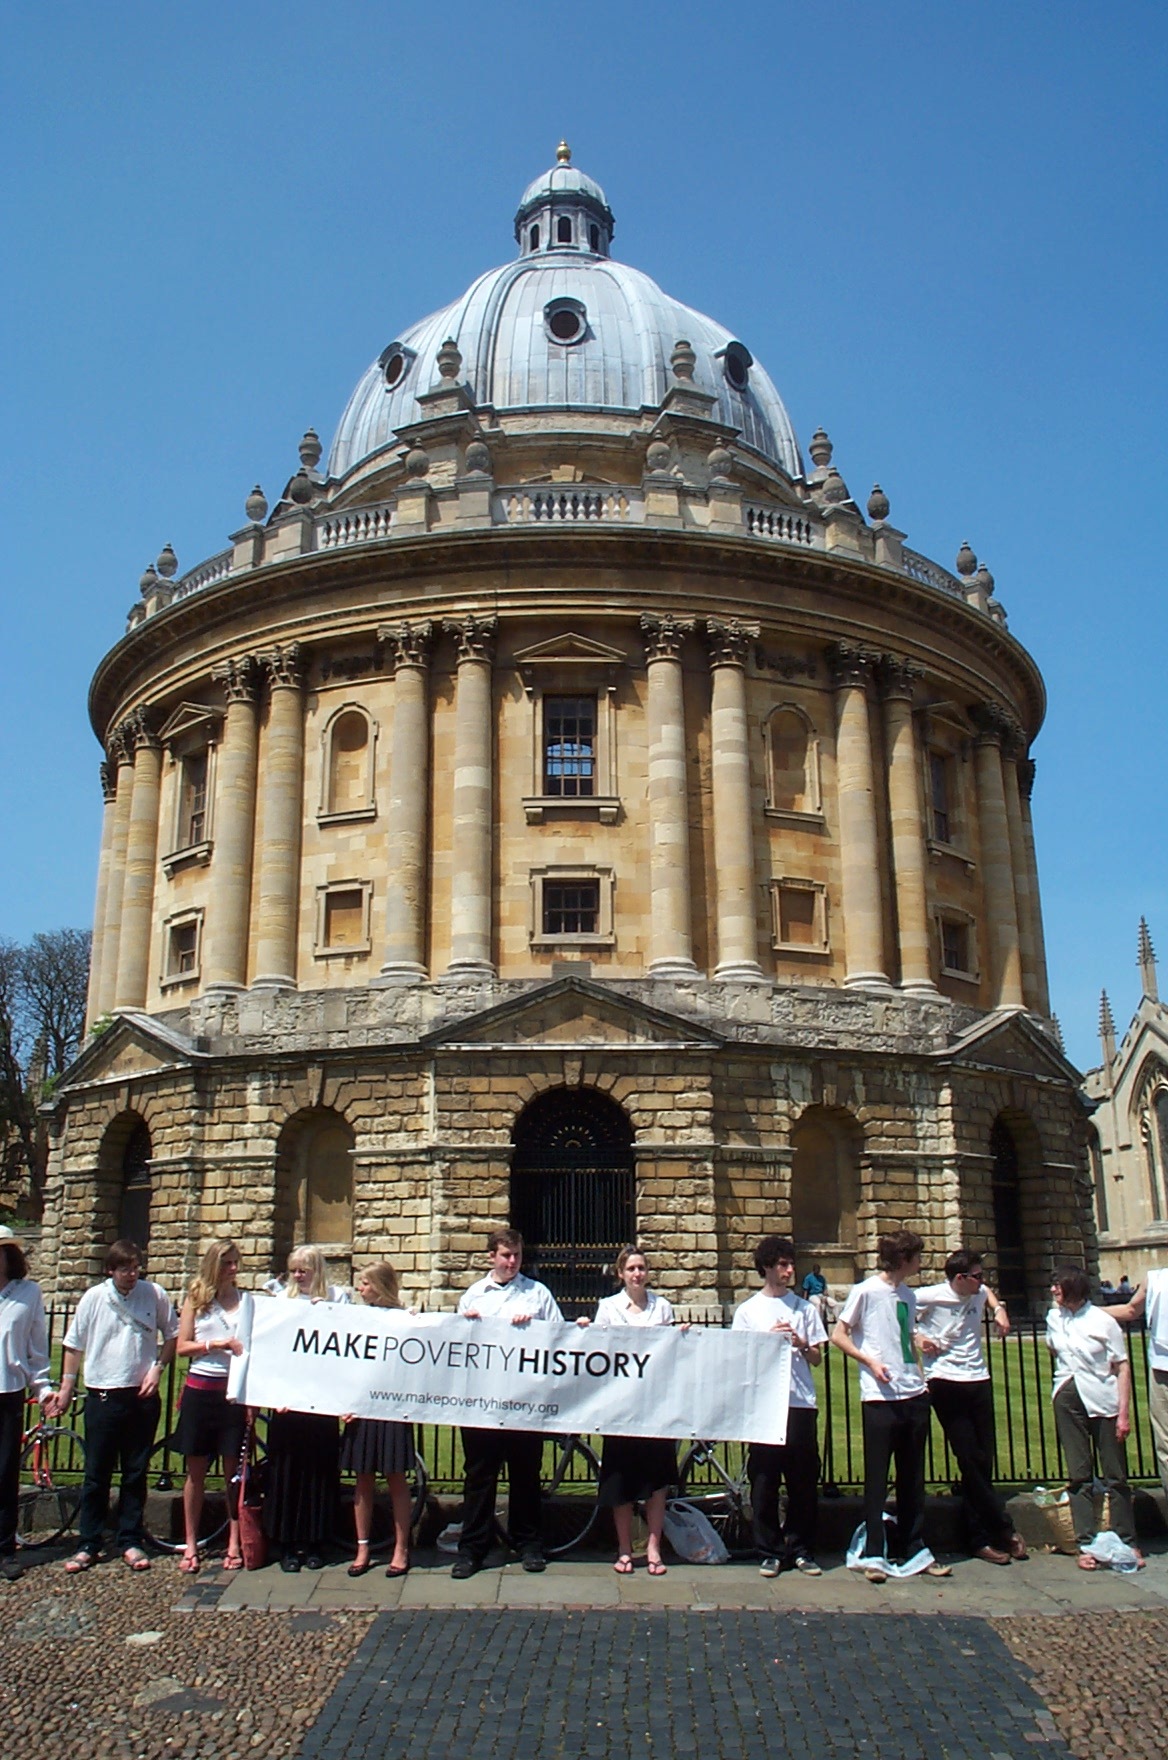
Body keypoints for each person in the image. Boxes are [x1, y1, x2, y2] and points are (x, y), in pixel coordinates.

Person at [50, 1239, 178, 1573]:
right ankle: (88, 1542)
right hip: (103, 1395)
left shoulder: (155, 1295)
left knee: (135, 1474)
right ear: (111, 1270)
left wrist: (158, 1367)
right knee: (96, 1474)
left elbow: (173, 1335)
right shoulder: (94, 1298)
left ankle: (130, 1539)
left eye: (136, 1267)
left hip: (141, 1396)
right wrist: (66, 1387)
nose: (132, 1274)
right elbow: (73, 1345)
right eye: (125, 1269)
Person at [831, 1229, 950, 1582]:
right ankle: (873, 1552)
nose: (920, 1263)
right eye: (917, 1257)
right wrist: (870, 1362)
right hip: (880, 1397)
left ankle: (914, 1548)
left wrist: (921, 1345)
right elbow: (839, 1335)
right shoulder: (865, 1291)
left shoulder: (908, 1295)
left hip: (913, 1392)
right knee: (877, 1479)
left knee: (913, 1479)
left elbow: (904, 1335)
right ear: (904, 1259)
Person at [452, 1227, 563, 1579]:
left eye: (516, 1256)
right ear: (491, 1257)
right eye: (505, 1255)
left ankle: (528, 1543)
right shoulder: (474, 1296)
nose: (512, 1262)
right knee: (479, 1478)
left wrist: (535, 1328)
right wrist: (465, 1325)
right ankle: (472, 1549)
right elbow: (455, 1346)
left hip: (523, 1402)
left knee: (525, 1476)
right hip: (482, 1403)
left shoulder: (537, 1294)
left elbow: (560, 1337)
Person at [915, 1248, 1026, 1565]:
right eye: (977, 1275)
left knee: (982, 1460)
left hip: (979, 1379)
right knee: (968, 1456)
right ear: (960, 1278)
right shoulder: (932, 1295)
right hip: (946, 1381)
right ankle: (1001, 1530)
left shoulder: (978, 1291)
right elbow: (899, 1310)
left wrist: (999, 1309)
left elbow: (989, 1292)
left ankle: (978, 1538)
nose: (984, 1280)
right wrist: (918, 1336)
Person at [733, 1235, 826, 1577]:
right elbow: (741, 1360)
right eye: (783, 1265)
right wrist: (767, 1341)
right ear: (767, 1268)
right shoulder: (748, 1311)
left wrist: (801, 1343)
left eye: (791, 1264)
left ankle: (801, 1548)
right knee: (765, 1481)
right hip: (765, 1405)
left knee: (803, 1480)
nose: (790, 1270)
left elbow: (817, 1358)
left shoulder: (805, 1309)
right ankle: (769, 1549)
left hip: (800, 1402)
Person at [587, 1246, 679, 1577]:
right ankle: (624, 1548)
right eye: (631, 1269)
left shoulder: (663, 1307)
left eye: (641, 1268)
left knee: (656, 1481)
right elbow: (598, 1350)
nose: (637, 1274)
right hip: (622, 1406)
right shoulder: (608, 1308)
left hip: (655, 1405)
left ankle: (654, 1548)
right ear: (621, 1273)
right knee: (621, 1480)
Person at [1046, 1265, 1143, 1569]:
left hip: (1103, 1399)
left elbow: (1122, 1367)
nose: (1052, 1290)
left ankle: (1127, 1540)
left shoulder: (1102, 1321)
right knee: (1079, 1474)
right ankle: (1085, 1543)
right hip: (1067, 1396)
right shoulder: (1053, 1318)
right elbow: (1054, 1350)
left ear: (1072, 1288)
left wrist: (1124, 1413)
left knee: (1116, 1475)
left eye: (1057, 1285)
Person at [259, 1245, 347, 1573]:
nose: (298, 1275)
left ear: (317, 1270)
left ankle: (315, 1541)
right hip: (288, 1401)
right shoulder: (282, 1302)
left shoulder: (338, 1298)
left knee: (318, 1472)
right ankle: (286, 1542)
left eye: (304, 1269)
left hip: (321, 1400)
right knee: (286, 1472)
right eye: (294, 1269)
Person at [173, 1239, 248, 1573]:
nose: (233, 1269)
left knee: (233, 1473)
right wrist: (214, 1344)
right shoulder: (196, 1298)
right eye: (226, 1263)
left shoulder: (246, 1301)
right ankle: (191, 1542)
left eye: (235, 1263)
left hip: (231, 1394)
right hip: (200, 1389)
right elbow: (182, 1346)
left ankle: (234, 1541)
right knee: (196, 1472)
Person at [341, 1261, 416, 1579]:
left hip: (393, 1408)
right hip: (363, 1407)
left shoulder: (404, 1319)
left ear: (381, 1286)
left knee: (396, 1479)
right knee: (363, 1479)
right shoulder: (358, 1318)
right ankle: (363, 1547)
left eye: (366, 1283)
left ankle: (401, 1548)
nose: (360, 1289)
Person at [0, 1226, 54, 1581]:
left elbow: (36, 1347)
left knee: (4, 1472)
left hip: (8, 1390)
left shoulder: (27, 1294)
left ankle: (5, 1548)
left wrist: (45, 1387)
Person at [1104, 1265, 1168, 1505]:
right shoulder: (1155, 1279)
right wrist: (1091, 1312)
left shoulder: (1155, 1279)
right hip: (1162, 1368)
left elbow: (1131, 1310)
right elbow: (1131, 1310)